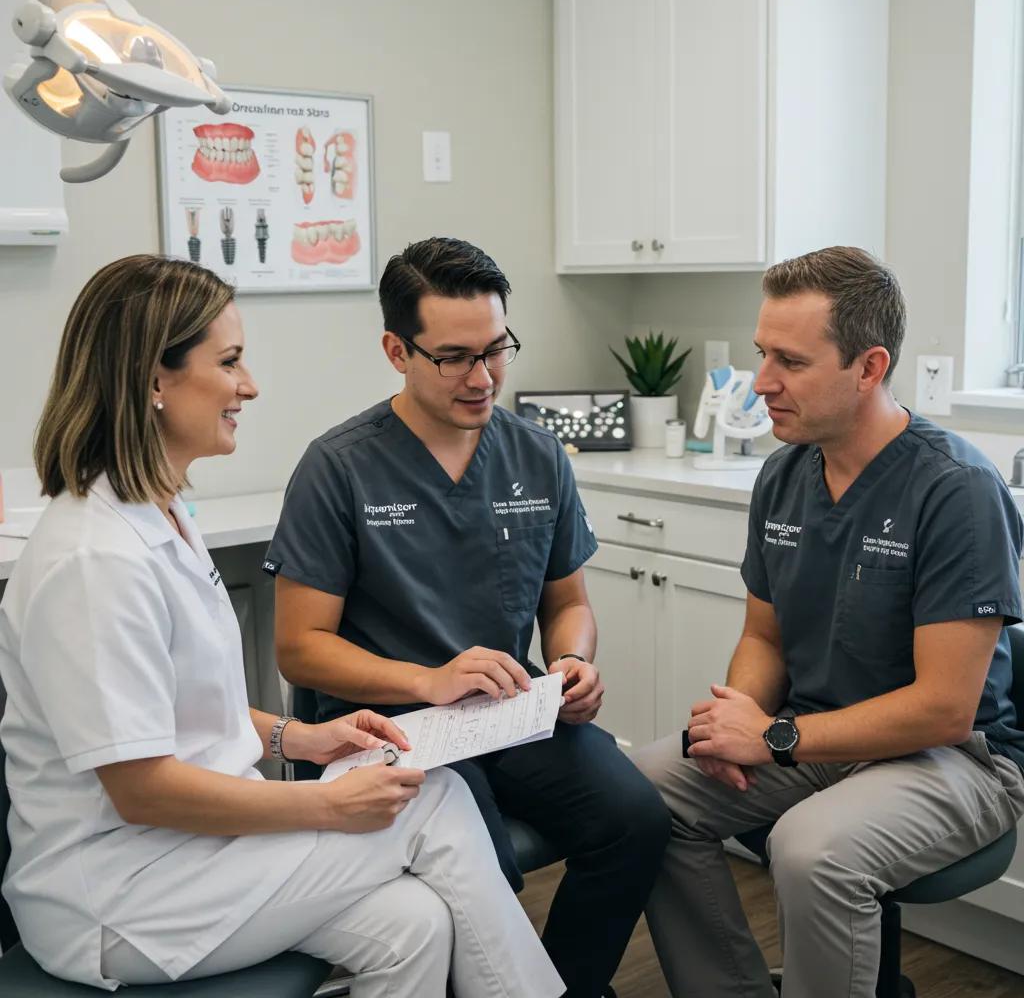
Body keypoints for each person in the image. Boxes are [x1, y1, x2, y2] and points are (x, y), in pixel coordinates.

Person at [0, 255, 564, 998]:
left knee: (415, 924)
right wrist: (322, 802)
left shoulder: (158, 513)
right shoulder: (94, 559)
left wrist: (295, 739)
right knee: (432, 798)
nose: (250, 385)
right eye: (229, 362)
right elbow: (141, 789)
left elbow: (177, 710)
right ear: (152, 380)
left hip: (188, 854)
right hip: (120, 891)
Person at [265, 236, 670, 998]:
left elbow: (568, 602)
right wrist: (428, 678)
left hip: (507, 714)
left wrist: (572, 662)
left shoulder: (537, 455)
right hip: (386, 728)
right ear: (397, 349)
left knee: (637, 822)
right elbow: (299, 649)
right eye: (454, 357)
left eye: (497, 350)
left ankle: (568, 983)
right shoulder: (339, 467)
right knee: (476, 864)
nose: (482, 378)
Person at [633, 246, 1024, 998]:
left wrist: (774, 737)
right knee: (644, 791)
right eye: (761, 354)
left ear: (868, 367)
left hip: (957, 759)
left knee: (811, 849)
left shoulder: (956, 491)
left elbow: (945, 710)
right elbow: (765, 636)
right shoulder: (786, 470)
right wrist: (738, 715)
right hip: (816, 731)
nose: (763, 382)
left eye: (791, 361)